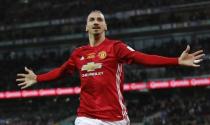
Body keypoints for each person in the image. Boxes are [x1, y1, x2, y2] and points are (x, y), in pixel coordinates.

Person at [16, 10, 205, 125]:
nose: (96, 22)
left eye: (99, 19)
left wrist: (176, 61)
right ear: (86, 28)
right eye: (92, 20)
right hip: (86, 117)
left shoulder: (116, 47)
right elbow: (62, 71)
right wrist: (37, 78)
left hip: (116, 118)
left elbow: (142, 58)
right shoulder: (78, 53)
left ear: (105, 26)